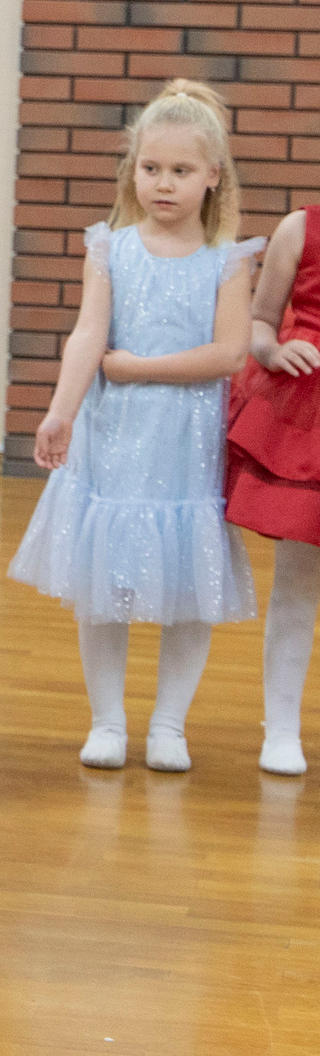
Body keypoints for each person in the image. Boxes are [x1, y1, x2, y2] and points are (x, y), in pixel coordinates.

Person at [9, 80, 258, 773]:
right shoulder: (110, 247)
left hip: (184, 443)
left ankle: (170, 724)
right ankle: (109, 720)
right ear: (132, 170)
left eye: (181, 171)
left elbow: (229, 352)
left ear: (213, 176)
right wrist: (61, 409)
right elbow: (89, 335)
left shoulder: (228, 258)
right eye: (151, 168)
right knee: (104, 582)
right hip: (112, 437)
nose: (164, 184)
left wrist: (141, 367)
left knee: (189, 586)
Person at [226, 198, 320, 775]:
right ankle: (281, 727)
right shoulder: (300, 229)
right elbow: (261, 320)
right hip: (306, 417)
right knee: (297, 584)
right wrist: (273, 349)